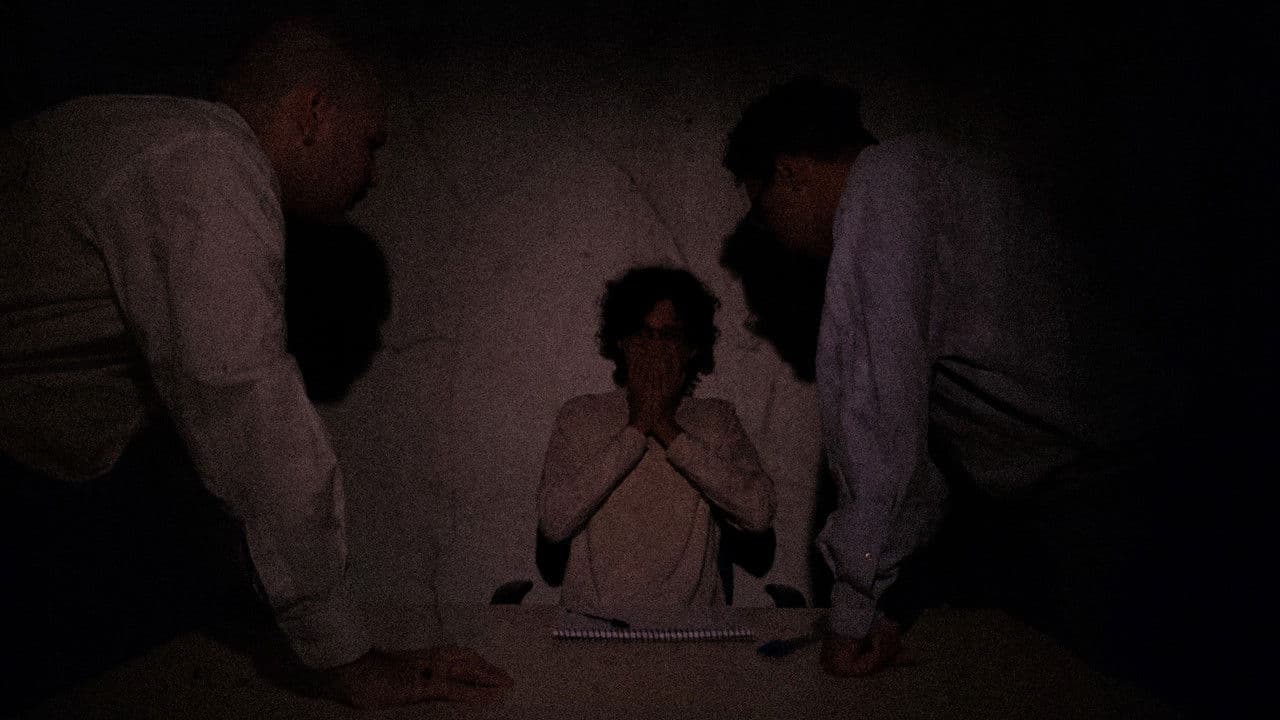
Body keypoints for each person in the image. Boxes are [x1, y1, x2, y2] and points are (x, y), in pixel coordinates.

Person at [0, 18, 508, 708]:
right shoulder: (209, 162)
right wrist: (352, 662)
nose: (375, 175)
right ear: (313, 113)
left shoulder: (157, 142)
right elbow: (248, 416)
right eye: (370, 142)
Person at [723, 77, 1144, 678]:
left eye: (764, 212)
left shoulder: (880, 188)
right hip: (1112, 482)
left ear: (788, 173)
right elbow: (932, 453)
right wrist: (892, 602)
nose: (777, 235)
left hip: (1122, 495)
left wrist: (853, 615)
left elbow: (879, 423)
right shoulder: (940, 178)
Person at [538, 266, 775, 609]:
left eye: (669, 336)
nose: (654, 349)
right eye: (642, 333)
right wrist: (636, 430)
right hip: (595, 625)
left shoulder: (716, 420)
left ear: (690, 346)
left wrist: (666, 427)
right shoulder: (580, 417)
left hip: (690, 630)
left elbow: (758, 512)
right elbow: (553, 522)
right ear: (622, 341)